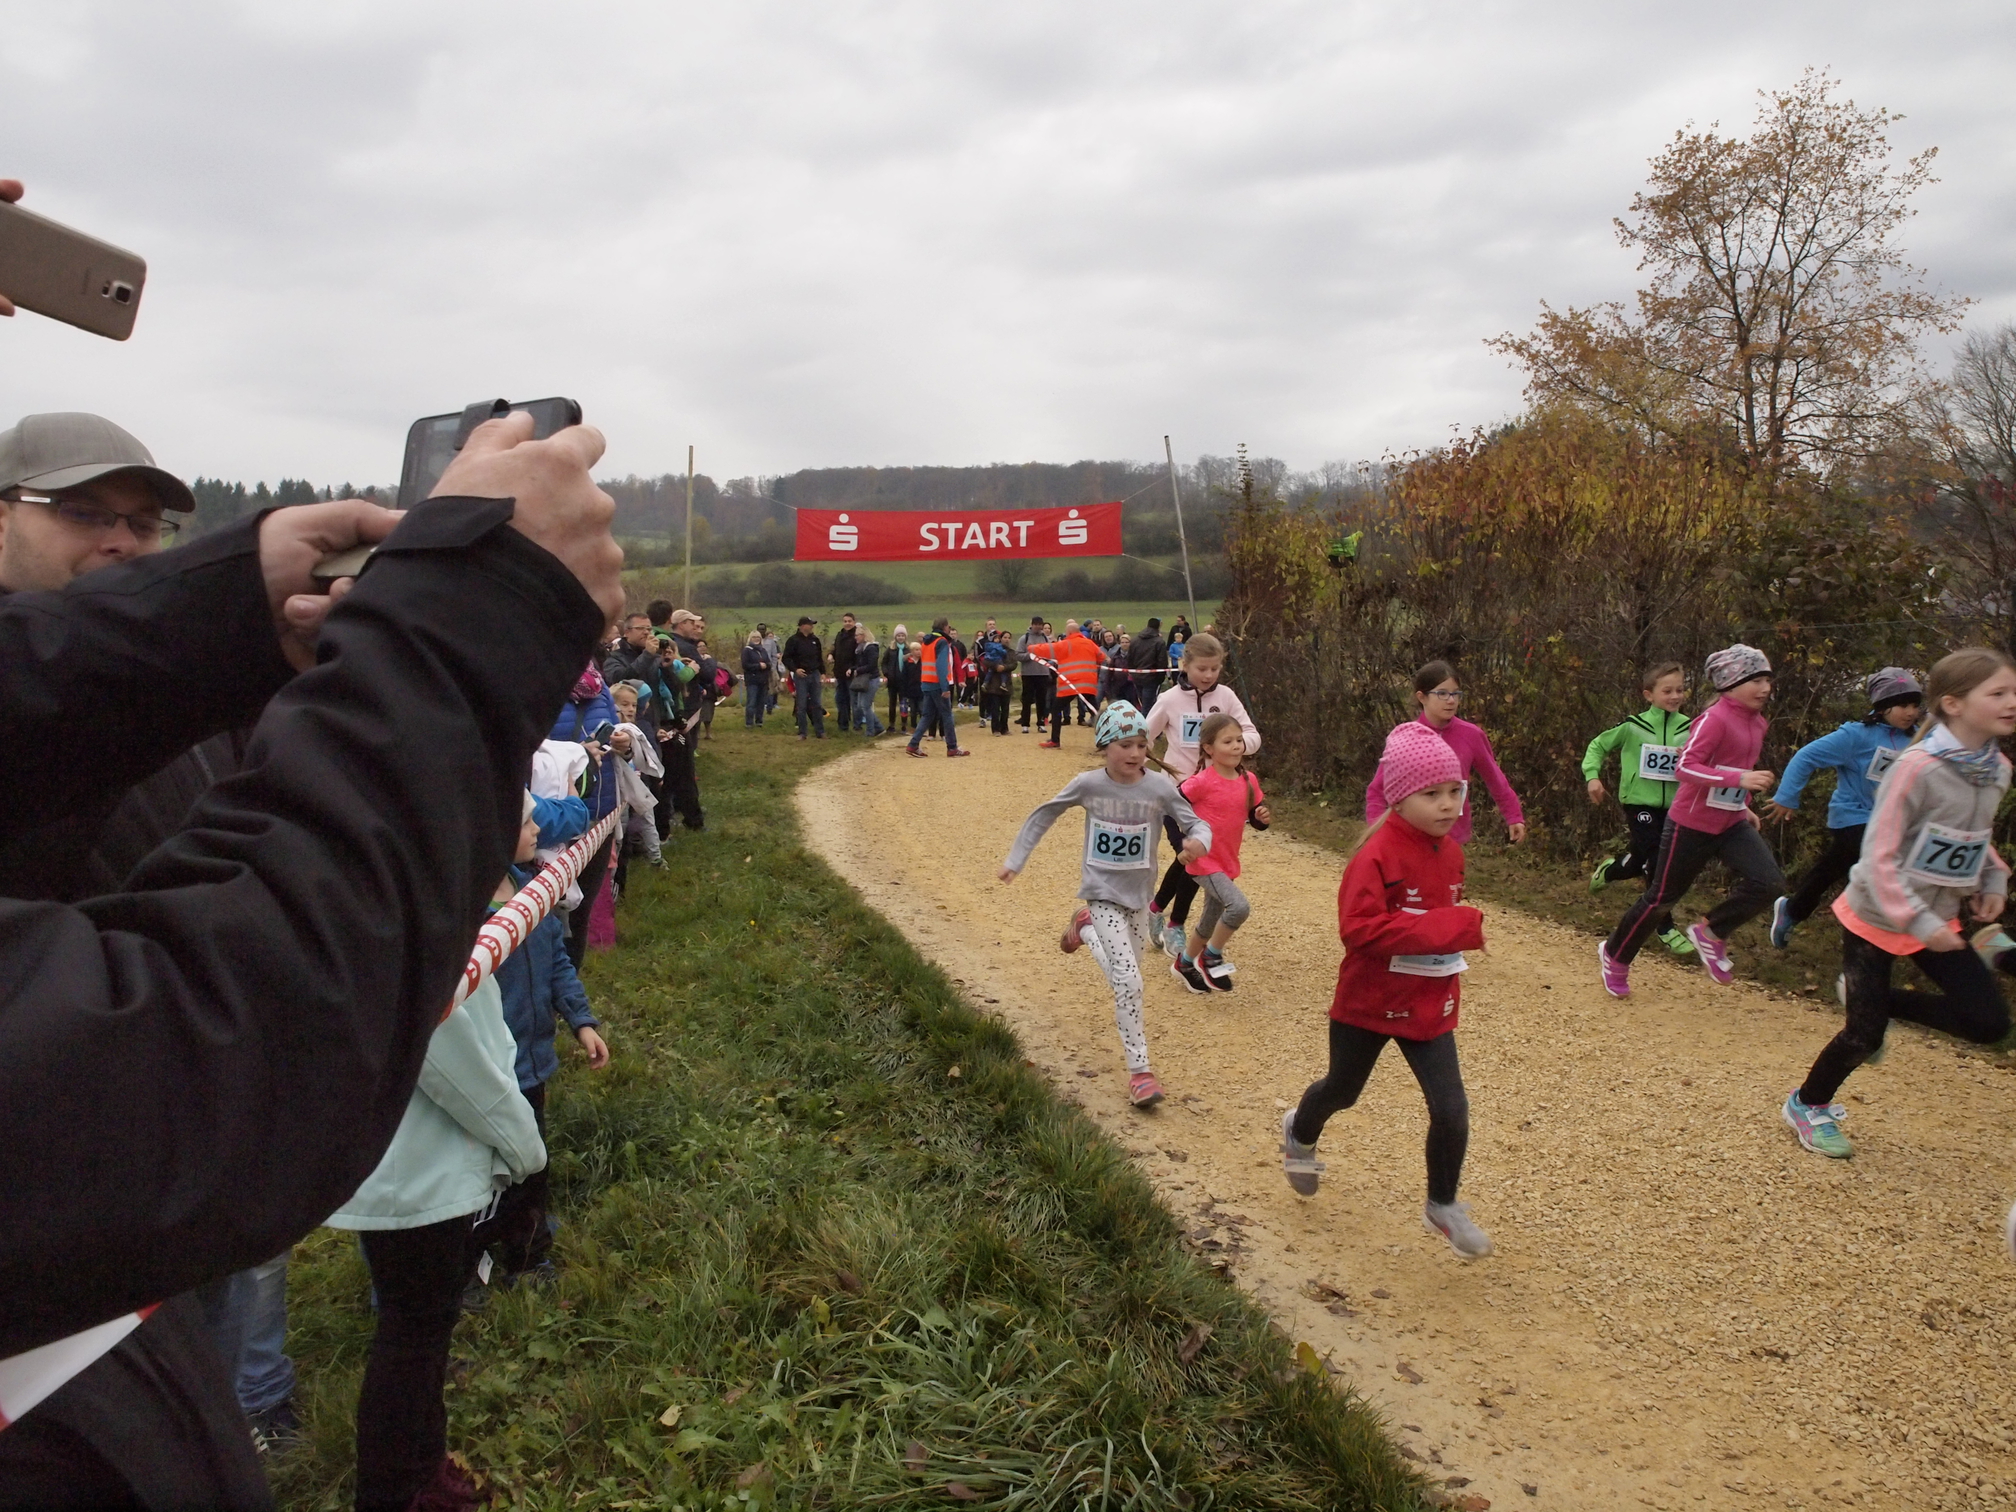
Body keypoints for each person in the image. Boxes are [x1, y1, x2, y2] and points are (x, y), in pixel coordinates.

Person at [0, 387, 620, 1505]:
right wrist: (459, 637)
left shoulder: (172, 687)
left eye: (145, 524)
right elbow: (187, 1058)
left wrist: (224, 613)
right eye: (84, 512)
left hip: (150, 1292)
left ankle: (260, 1403)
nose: (124, 543)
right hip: (122, 1262)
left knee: (234, 1309)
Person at [325, 849, 547, 1512]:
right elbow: (455, 1066)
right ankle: (397, 1490)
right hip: (417, 1178)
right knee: (412, 1337)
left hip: (413, 1169)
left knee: (426, 1326)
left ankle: (422, 1464)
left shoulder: (414, 906)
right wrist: (524, 1147)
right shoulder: (419, 923)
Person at [1781, 648, 2015, 1159]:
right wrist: (1917, 919)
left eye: (2013, 691)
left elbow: (1976, 837)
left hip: (1938, 918)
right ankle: (1808, 1104)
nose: (2011, 702)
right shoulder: (1916, 767)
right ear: (1953, 703)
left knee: (1989, 1024)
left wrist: (1993, 880)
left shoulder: (1996, 769)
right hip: (1877, 914)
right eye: (1998, 693)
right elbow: (1877, 856)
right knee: (1864, 1036)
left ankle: (1871, 1000)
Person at [1279, 722, 1492, 1259]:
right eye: (1432, 794)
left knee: (1451, 1107)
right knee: (1342, 1091)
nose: (1449, 805)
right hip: (1368, 1001)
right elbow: (1358, 931)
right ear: (1398, 798)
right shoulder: (1374, 855)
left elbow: (1436, 927)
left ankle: (1442, 1204)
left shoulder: (1451, 852)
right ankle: (1300, 1133)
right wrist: (1449, 927)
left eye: (1456, 791)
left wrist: (1447, 938)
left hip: (1428, 1001)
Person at [999, 704, 1210, 1108]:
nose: (1135, 753)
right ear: (1104, 746)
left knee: (1124, 976)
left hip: (1139, 897)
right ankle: (1140, 1073)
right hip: (1100, 892)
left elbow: (1195, 823)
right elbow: (1045, 814)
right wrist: (1016, 860)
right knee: (1129, 982)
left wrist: (1200, 841)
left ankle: (1085, 930)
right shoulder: (1089, 784)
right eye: (1125, 745)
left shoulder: (1159, 788)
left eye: (1141, 745)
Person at [1598, 645, 1785, 997]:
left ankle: (1711, 933)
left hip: (1730, 822)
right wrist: (1739, 781)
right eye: (1756, 680)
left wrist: (1743, 803)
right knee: (1662, 899)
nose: (1765, 688)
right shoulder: (1714, 719)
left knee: (1769, 882)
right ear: (1731, 684)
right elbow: (1685, 767)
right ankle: (1615, 955)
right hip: (1691, 824)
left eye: (1767, 680)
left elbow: (1738, 766)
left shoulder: (1758, 722)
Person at [482, 797, 611, 1282]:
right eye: (526, 822)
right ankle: (471, 1263)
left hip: (531, 1063)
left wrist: (581, 1020)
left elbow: (557, 961)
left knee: (532, 1160)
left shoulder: (533, 891)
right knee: (488, 1172)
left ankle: (528, 1252)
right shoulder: (464, 920)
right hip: (490, 1071)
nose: (538, 829)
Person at [1766, 667, 1924, 948]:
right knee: (1875, 869)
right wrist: (1787, 797)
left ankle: (1793, 910)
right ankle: (1866, 935)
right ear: (1882, 706)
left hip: (1893, 822)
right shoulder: (1857, 736)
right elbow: (1806, 757)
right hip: (1854, 816)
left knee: (1832, 870)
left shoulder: (1918, 740)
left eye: (1915, 705)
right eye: (1903, 705)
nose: (1911, 712)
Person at [1143, 632, 1262, 955]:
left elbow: (1252, 735)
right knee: (1195, 860)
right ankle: (1175, 925)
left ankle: (1156, 909)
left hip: (1215, 798)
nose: (1209, 675)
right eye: (1202, 669)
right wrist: (1139, 765)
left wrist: (1234, 745)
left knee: (1193, 860)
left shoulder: (1226, 697)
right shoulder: (1169, 700)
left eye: (1215, 669)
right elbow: (1145, 737)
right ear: (1184, 664)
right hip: (1177, 797)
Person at [1583, 661, 1695, 957]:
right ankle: (1664, 926)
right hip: (1638, 803)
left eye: (1680, 690)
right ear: (1649, 695)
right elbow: (1597, 746)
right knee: (1658, 856)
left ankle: (1611, 871)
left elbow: (1706, 761)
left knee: (1640, 861)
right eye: (1667, 691)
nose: (1675, 696)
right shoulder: (1634, 726)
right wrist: (1592, 776)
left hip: (1675, 806)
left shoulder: (1691, 728)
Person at [1365, 661, 1526, 847]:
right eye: (1442, 694)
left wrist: (1513, 816)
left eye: (1455, 694)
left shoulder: (1471, 735)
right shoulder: (1406, 738)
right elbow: (1377, 789)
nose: (1451, 700)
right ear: (1422, 697)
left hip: (1453, 838)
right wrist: (1377, 830)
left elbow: (1495, 779)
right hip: (1410, 836)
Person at [1169, 712, 1270, 994]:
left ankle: (1185, 963)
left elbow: (1254, 815)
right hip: (1204, 861)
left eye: (1239, 740)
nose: (1237, 746)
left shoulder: (1249, 780)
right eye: (1228, 741)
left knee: (1210, 919)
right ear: (1209, 748)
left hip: (1227, 861)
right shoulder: (1201, 782)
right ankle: (1211, 956)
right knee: (1239, 907)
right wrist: (1181, 844)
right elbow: (1169, 808)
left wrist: (1261, 818)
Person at [548, 662, 624, 966]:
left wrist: (625, 744)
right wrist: (575, 753)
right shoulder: (533, 680)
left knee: (580, 911)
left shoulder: (599, 684)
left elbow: (616, 730)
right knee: (549, 914)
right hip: (551, 818)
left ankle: (571, 984)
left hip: (599, 816)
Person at [657, 610, 710, 829]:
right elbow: (678, 679)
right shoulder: (665, 642)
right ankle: (689, 817)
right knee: (680, 770)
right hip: (672, 721)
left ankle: (680, 813)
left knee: (674, 769)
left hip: (674, 717)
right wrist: (692, 669)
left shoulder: (671, 646)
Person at [1027, 618, 1103, 748]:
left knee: (1056, 709)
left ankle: (1055, 740)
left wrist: (1030, 648)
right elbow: (1102, 657)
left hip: (1069, 684)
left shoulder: (1065, 644)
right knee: (1096, 712)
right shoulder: (1090, 643)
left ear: (1069, 632)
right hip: (1087, 684)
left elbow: (1046, 649)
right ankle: (1107, 740)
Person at [906, 616, 969, 757]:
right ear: (944, 627)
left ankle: (913, 744)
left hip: (926, 682)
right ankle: (952, 747)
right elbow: (941, 666)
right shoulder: (942, 642)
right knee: (947, 715)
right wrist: (945, 687)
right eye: (948, 626)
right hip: (937, 684)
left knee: (927, 715)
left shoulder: (926, 642)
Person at [783, 615, 827, 740]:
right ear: (802, 626)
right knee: (801, 705)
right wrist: (795, 669)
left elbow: (819, 658)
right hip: (801, 676)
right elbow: (786, 658)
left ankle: (820, 731)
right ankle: (802, 732)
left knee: (817, 704)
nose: (812, 626)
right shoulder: (793, 640)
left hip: (814, 674)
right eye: (810, 624)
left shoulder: (815, 640)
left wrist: (823, 672)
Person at [1017, 614, 1052, 732]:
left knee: (1041, 699)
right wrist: (1030, 656)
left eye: (1039, 625)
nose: (1037, 627)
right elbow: (1018, 655)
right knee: (1027, 699)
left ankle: (1041, 723)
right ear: (1031, 625)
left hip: (1043, 673)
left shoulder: (1045, 638)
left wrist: (1045, 656)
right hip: (1028, 673)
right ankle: (1025, 724)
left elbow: (1050, 653)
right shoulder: (1024, 638)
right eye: (1035, 624)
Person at [850, 626, 885, 736]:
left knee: (865, 706)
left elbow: (872, 665)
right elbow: (860, 663)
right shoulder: (861, 648)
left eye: (857, 635)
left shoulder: (871, 648)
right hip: (864, 679)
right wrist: (852, 669)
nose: (855, 637)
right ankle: (879, 727)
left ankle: (870, 731)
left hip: (871, 679)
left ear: (863, 635)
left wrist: (858, 670)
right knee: (861, 705)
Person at [1128, 617, 1167, 710]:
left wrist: (1133, 673)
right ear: (1158, 627)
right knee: (1149, 706)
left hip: (1137, 676)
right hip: (1152, 677)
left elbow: (1130, 658)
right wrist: (1161, 677)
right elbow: (1162, 661)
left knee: (1143, 703)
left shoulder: (1134, 640)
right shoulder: (1159, 642)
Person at [831, 612, 860, 733]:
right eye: (845, 621)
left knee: (854, 701)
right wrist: (831, 655)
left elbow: (859, 656)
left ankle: (857, 725)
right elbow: (835, 649)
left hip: (851, 673)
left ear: (854, 622)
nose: (847, 623)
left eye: (849, 621)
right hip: (839, 672)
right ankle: (843, 724)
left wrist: (853, 668)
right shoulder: (840, 635)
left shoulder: (856, 636)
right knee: (840, 699)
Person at [883, 624, 911, 732]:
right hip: (892, 681)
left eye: (902, 635)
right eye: (898, 635)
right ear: (895, 637)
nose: (900, 637)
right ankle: (891, 724)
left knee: (904, 704)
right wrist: (887, 673)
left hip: (904, 681)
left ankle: (904, 724)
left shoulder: (908, 650)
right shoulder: (890, 650)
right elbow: (884, 663)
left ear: (905, 637)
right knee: (892, 703)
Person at [741, 631, 770, 728]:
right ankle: (749, 722)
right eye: (754, 637)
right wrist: (758, 666)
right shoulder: (747, 650)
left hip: (763, 680)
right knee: (752, 702)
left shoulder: (763, 650)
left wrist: (766, 665)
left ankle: (759, 721)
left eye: (758, 637)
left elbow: (769, 663)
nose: (756, 639)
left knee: (761, 702)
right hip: (752, 680)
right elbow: (745, 665)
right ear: (750, 638)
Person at [758, 622, 782, 714]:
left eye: (763, 629)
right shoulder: (755, 640)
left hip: (769, 669)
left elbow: (774, 655)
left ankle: (770, 706)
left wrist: (772, 667)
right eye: (760, 629)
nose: (761, 631)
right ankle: (761, 705)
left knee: (771, 689)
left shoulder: (771, 642)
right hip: (758, 669)